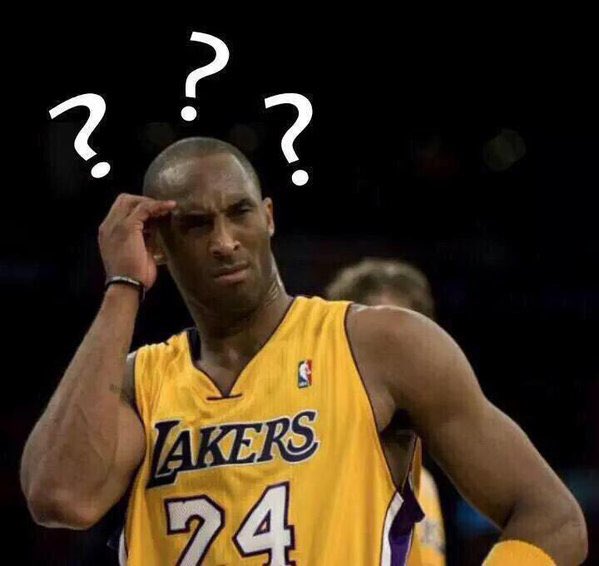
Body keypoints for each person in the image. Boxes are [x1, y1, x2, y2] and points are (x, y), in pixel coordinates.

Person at [20, 137, 587, 565]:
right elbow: (59, 498)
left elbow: (553, 518)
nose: (224, 241)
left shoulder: (380, 345)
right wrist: (123, 287)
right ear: (159, 245)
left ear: (268, 216)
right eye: (195, 225)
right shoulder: (138, 382)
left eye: (239, 212)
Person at [325, 258, 445, 565]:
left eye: (408, 340)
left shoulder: (425, 482)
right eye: (384, 343)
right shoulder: (319, 475)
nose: (397, 360)